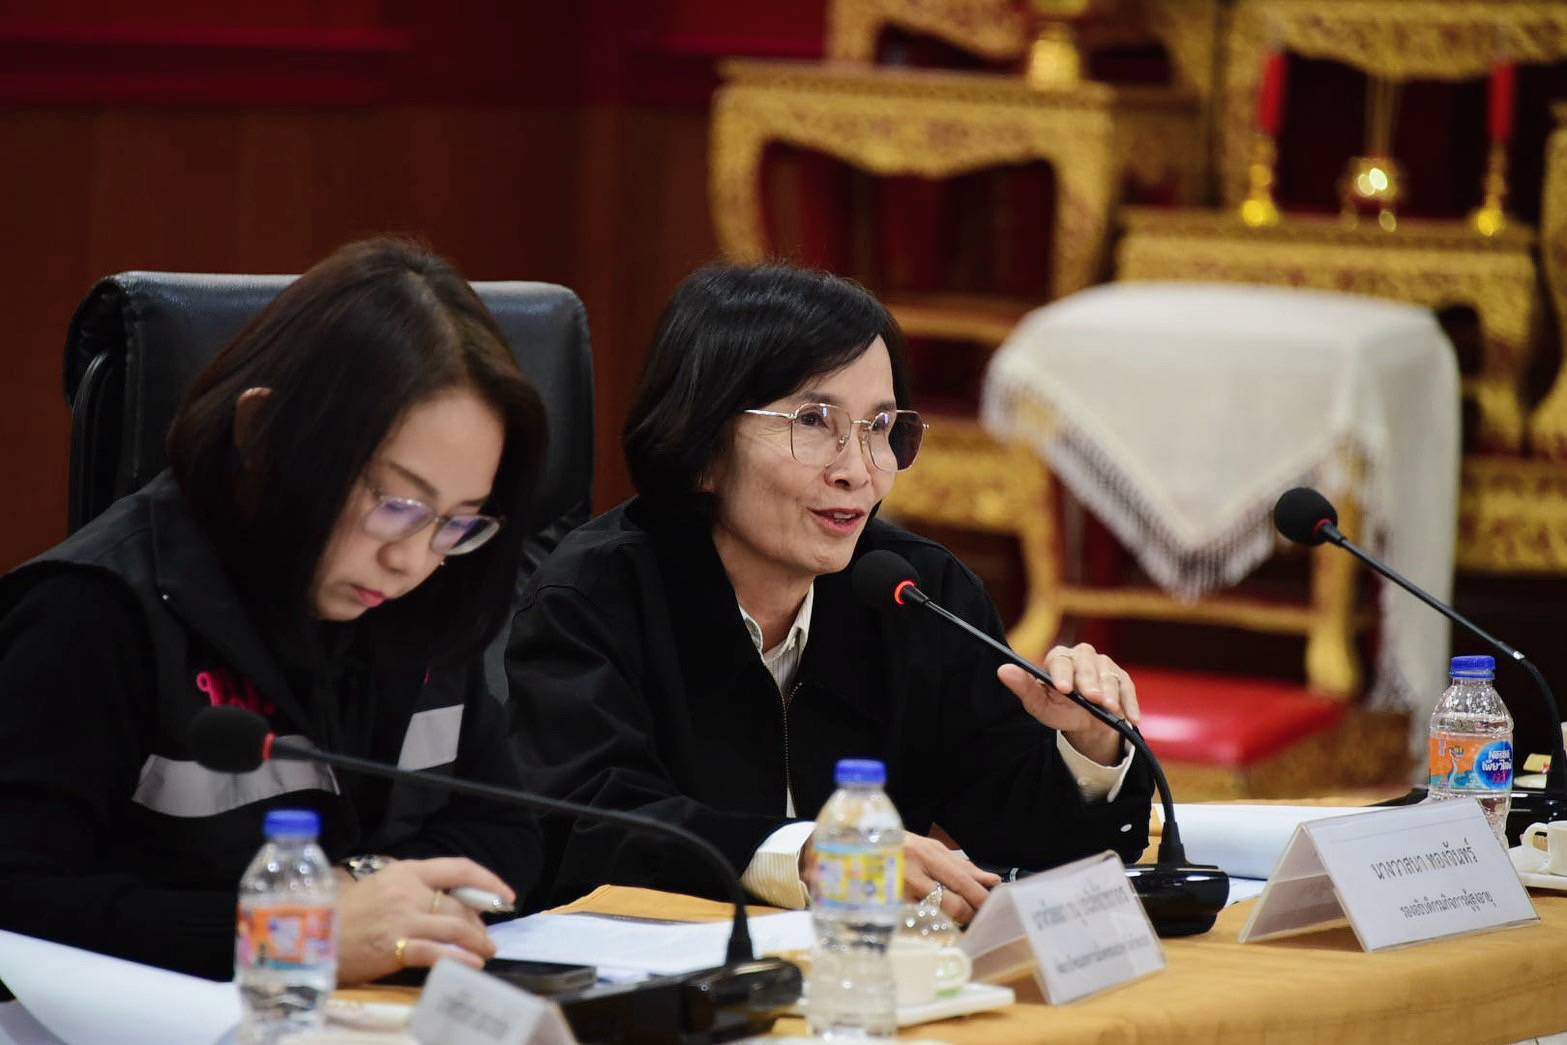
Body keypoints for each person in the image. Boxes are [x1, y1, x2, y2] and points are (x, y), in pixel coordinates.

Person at [507, 263, 1154, 922]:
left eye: (880, 427)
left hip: (872, 972)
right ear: (701, 444)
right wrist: (809, 856)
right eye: (814, 421)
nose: (858, 469)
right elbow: (590, 829)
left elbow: (1033, 845)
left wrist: (1088, 742)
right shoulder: (593, 598)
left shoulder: (915, 592)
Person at [0, 238, 550, 983]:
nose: (413, 559)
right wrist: (292, 932)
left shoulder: (426, 602)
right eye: (397, 505)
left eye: (457, 521)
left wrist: (361, 890)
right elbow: (21, 898)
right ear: (262, 437)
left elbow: (504, 832)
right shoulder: (91, 615)